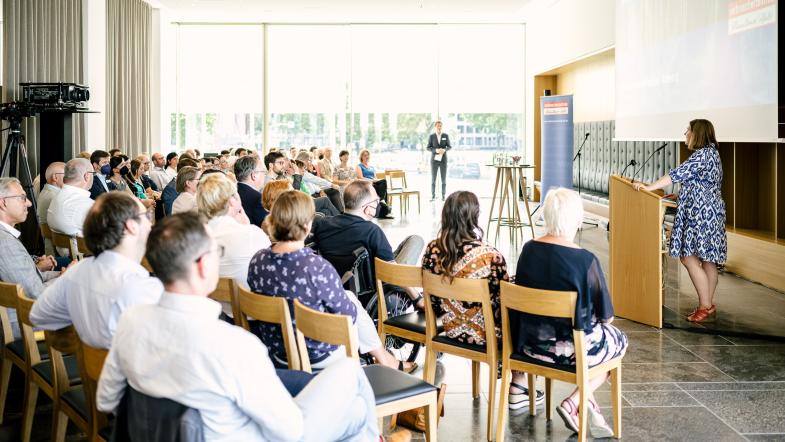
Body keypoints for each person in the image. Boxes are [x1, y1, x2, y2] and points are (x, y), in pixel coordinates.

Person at [96, 213, 381, 442]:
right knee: (353, 393)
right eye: (215, 252)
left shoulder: (131, 321)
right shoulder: (232, 345)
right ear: (202, 265)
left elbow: (107, 399)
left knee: (352, 396)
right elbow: (291, 430)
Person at [249, 191, 416, 373]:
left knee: (348, 296)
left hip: (275, 351)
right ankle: (385, 359)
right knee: (351, 302)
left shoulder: (258, 261)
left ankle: (385, 358)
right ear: (307, 226)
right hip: (316, 355)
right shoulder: (315, 267)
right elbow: (348, 316)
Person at [513, 188, 626, 437]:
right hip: (572, 355)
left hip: (531, 349)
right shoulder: (586, 261)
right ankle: (575, 401)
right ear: (577, 219)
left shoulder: (528, 250)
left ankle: (588, 402)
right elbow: (607, 316)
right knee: (617, 341)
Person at [31, 192, 163, 348]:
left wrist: (85, 331)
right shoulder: (146, 289)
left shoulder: (76, 272)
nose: (150, 223)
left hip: (87, 371)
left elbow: (39, 316)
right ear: (131, 226)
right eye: (146, 216)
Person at [633, 119, 727, 322]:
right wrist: (683, 194)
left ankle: (705, 305)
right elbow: (701, 183)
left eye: (688, 130)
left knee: (688, 257)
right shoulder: (713, 153)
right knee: (708, 259)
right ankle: (708, 305)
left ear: (697, 134)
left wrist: (648, 188)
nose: (685, 133)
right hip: (712, 213)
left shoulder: (702, 155)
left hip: (700, 215)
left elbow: (674, 175)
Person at [311, 180, 424, 305]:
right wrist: (417, 298)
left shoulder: (322, 224)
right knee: (415, 240)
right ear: (368, 209)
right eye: (376, 201)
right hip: (379, 296)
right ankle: (407, 291)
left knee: (389, 254)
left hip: (340, 289)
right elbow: (392, 270)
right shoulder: (371, 231)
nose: (378, 203)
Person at [197, 173, 270, 317]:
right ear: (231, 201)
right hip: (257, 316)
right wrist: (248, 225)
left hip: (221, 315)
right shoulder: (251, 233)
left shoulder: (199, 238)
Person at [0, 178, 63, 337]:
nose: (28, 203)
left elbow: (28, 279)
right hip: (24, 324)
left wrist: (61, 275)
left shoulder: (6, 238)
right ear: (3, 203)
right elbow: (37, 295)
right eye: (22, 197)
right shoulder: (5, 243)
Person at [47, 158, 96, 239]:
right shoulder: (86, 205)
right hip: (88, 250)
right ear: (86, 176)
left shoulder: (56, 197)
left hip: (66, 249)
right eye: (93, 174)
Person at [37, 162, 65, 255]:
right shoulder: (55, 197)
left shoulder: (46, 192)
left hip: (51, 250)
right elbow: (64, 251)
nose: (70, 178)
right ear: (55, 177)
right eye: (66, 174)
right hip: (58, 254)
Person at [354, 149, 392, 219]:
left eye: (368, 155)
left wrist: (377, 180)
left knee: (384, 182)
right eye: (365, 155)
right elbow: (360, 178)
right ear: (361, 157)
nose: (367, 157)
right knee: (383, 188)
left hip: (374, 183)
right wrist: (371, 181)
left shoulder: (371, 167)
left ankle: (382, 203)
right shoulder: (359, 166)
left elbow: (375, 178)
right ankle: (383, 201)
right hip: (366, 184)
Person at [235, 155, 269, 226]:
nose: (265, 175)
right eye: (263, 172)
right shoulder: (257, 198)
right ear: (254, 176)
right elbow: (268, 227)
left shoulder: (232, 192)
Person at [427, 120, 451, 201]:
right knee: (433, 179)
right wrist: (436, 150)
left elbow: (449, 146)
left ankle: (443, 196)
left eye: (440, 126)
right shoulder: (432, 136)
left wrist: (444, 150)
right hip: (434, 161)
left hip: (443, 160)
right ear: (435, 127)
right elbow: (428, 147)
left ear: (442, 126)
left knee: (443, 179)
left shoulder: (445, 136)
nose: (439, 127)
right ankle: (433, 196)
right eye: (438, 126)